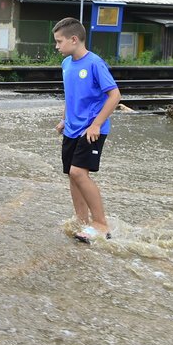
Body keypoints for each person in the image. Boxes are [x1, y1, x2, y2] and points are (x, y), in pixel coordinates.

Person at [52, 17, 122, 243]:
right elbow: (71, 97)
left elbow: (115, 96)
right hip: (72, 129)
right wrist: (64, 120)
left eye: (59, 41)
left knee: (78, 173)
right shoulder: (66, 64)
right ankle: (82, 221)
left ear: (74, 39)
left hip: (91, 129)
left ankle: (101, 224)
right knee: (72, 176)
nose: (57, 46)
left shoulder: (94, 63)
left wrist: (96, 124)